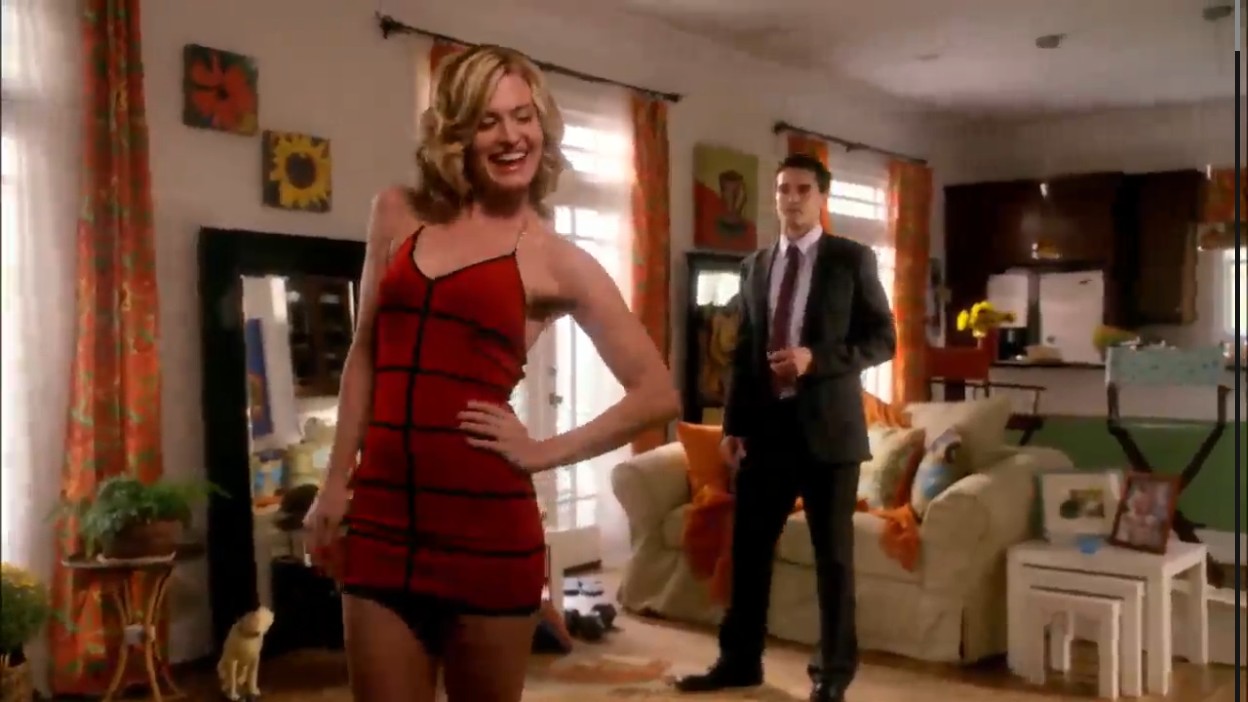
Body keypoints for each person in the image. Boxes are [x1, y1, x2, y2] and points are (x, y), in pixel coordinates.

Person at [301, 45, 680, 702]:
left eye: (523, 117)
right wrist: (335, 483)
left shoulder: (556, 260)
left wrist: (542, 451)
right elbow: (365, 353)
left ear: (543, 126)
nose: (511, 136)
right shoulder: (396, 213)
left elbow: (656, 393)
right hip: (383, 519)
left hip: (487, 533)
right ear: (456, 134)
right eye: (488, 120)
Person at [674, 153, 896, 702]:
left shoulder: (851, 259)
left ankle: (832, 676)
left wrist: (816, 360)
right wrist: (732, 426)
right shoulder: (755, 266)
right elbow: (743, 352)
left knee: (833, 561)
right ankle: (739, 661)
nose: (791, 199)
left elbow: (883, 340)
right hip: (766, 433)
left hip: (830, 436)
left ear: (821, 198)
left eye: (802, 190)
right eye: (783, 190)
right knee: (748, 551)